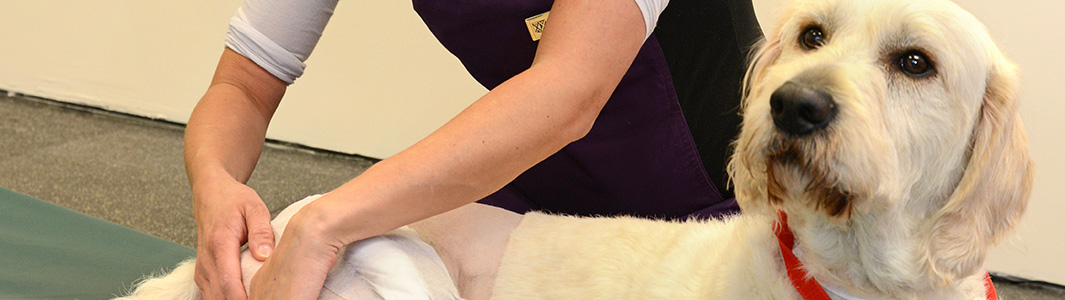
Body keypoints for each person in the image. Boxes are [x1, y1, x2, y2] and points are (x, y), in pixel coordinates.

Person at [184, 0, 762, 298]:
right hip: (542, 193)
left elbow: (569, 92)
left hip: (715, 215)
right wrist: (215, 182)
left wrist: (326, 222)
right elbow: (243, 84)